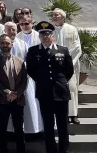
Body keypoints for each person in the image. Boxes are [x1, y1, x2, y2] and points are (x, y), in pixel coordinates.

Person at [27, 21, 74, 153]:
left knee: (62, 125)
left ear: (53, 36)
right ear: (39, 37)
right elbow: (31, 70)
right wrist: (42, 81)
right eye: (42, 35)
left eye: (48, 34)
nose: (45, 37)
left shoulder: (63, 50)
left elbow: (69, 70)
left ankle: (63, 150)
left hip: (61, 93)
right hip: (44, 93)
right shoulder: (33, 51)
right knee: (48, 126)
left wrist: (61, 82)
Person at [0, 34, 28, 153]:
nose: (5, 45)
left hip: (18, 99)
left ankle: (21, 150)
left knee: (19, 128)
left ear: (12, 44)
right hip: (2, 99)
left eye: (7, 43)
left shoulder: (20, 61)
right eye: (2, 43)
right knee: (2, 127)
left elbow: (24, 80)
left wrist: (17, 94)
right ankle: (3, 150)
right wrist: (7, 93)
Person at [51, 8, 82, 124]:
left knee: (72, 88)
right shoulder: (50, 29)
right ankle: (61, 114)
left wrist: (67, 61)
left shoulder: (71, 29)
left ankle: (73, 115)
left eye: (57, 15)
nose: (55, 16)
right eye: (53, 15)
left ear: (63, 17)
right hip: (55, 65)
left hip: (70, 64)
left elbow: (77, 46)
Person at [15, 15, 43, 134]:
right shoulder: (17, 37)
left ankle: (39, 128)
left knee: (38, 102)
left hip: (38, 73)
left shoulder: (39, 36)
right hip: (23, 74)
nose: (24, 26)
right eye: (21, 24)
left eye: (26, 24)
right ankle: (26, 129)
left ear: (32, 24)